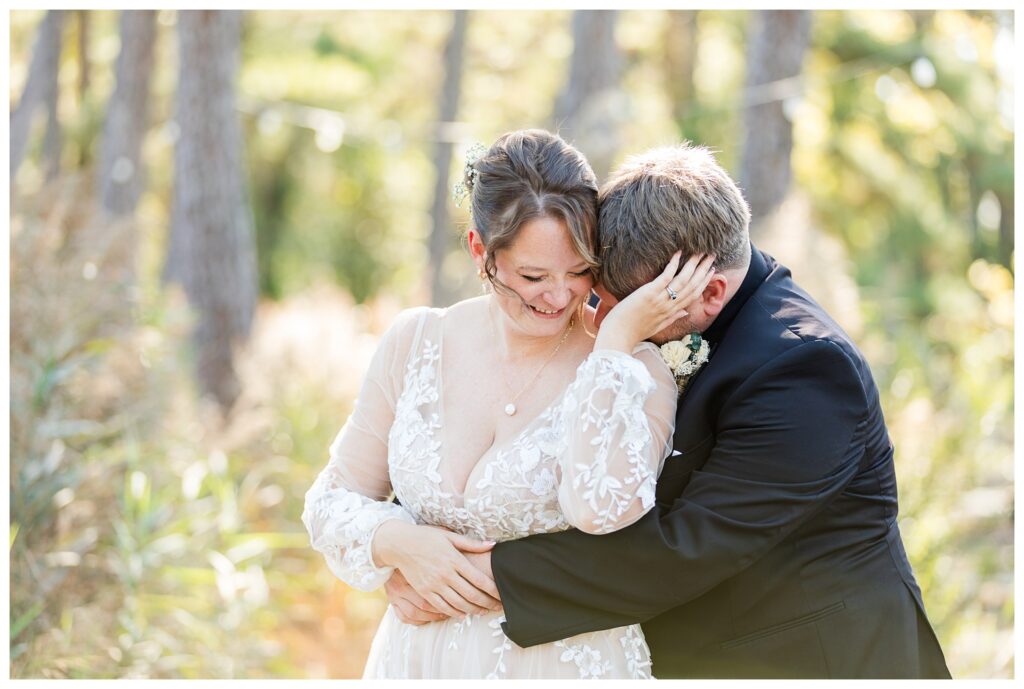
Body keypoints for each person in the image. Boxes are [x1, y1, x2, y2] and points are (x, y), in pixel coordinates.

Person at [386, 143, 952, 679]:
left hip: (816, 661)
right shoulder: (686, 326)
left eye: (626, 308)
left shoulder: (805, 370)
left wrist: (470, 580)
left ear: (706, 293)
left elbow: (686, 547)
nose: (595, 316)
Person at [301, 129, 714, 679]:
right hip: (418, 662)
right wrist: (397, 543)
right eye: (533, 276)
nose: (560, 296)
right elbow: (331, 499)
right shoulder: (415, 341)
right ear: (480, 250)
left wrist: (612, 346)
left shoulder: (635, 369)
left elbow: (602, 512)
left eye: (579, 271)